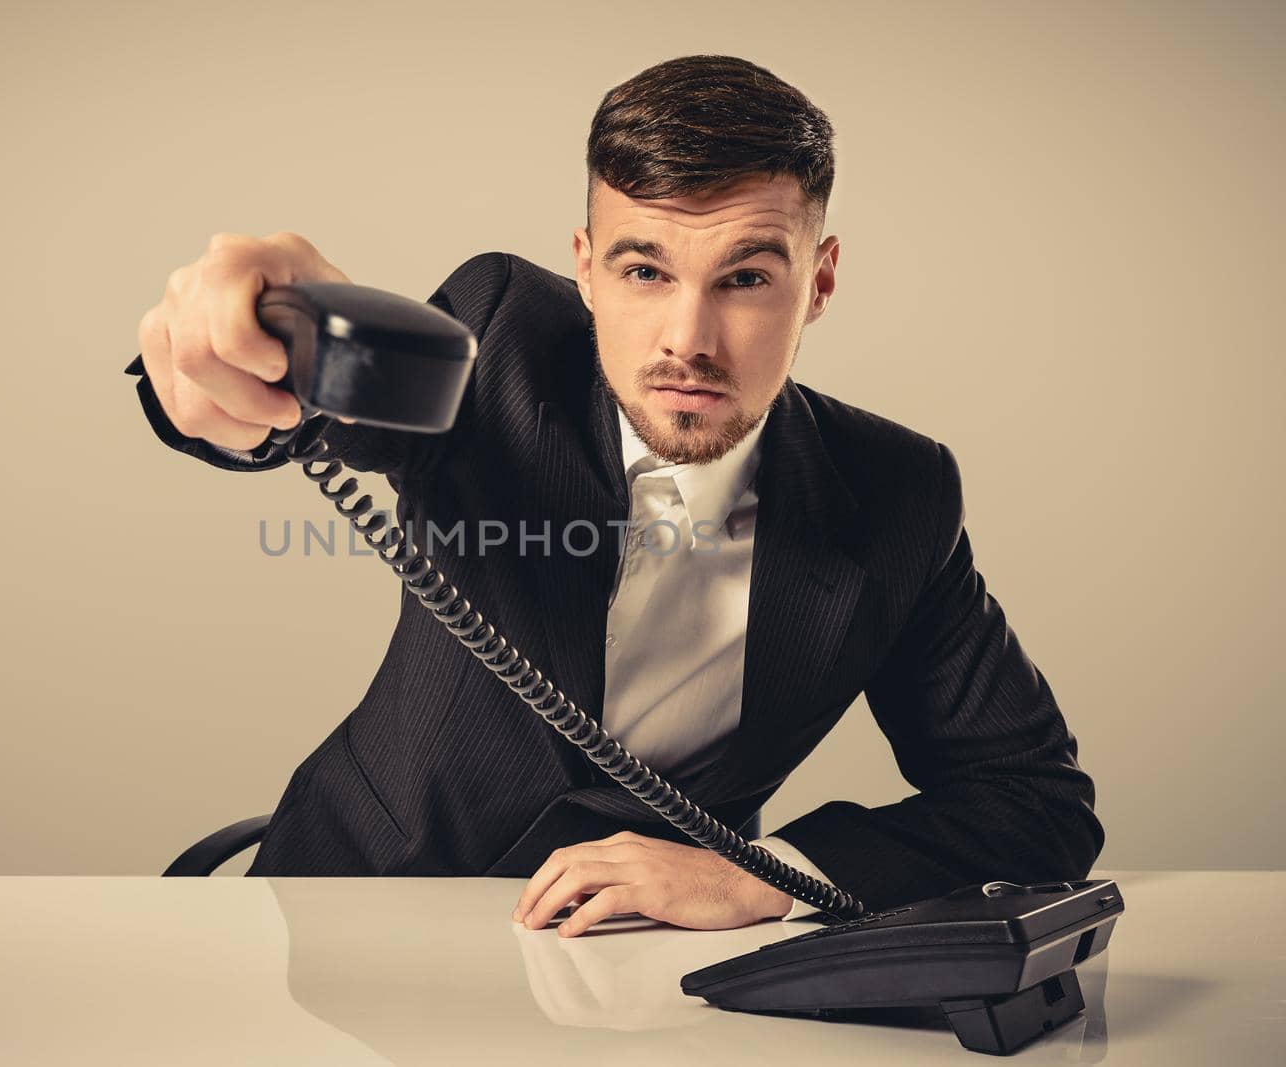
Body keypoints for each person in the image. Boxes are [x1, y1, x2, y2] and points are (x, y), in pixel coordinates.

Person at [123, 54, 1103, 938]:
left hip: (648, 969)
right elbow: (313, 419)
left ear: (819, 281)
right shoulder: (502, 336)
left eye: (747, 277)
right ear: (586, 270)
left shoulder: (897, 493)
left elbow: (1034, 800)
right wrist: (237, 369)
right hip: (354, 907)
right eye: (644, 268)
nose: (689, 338)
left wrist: (766, 877)